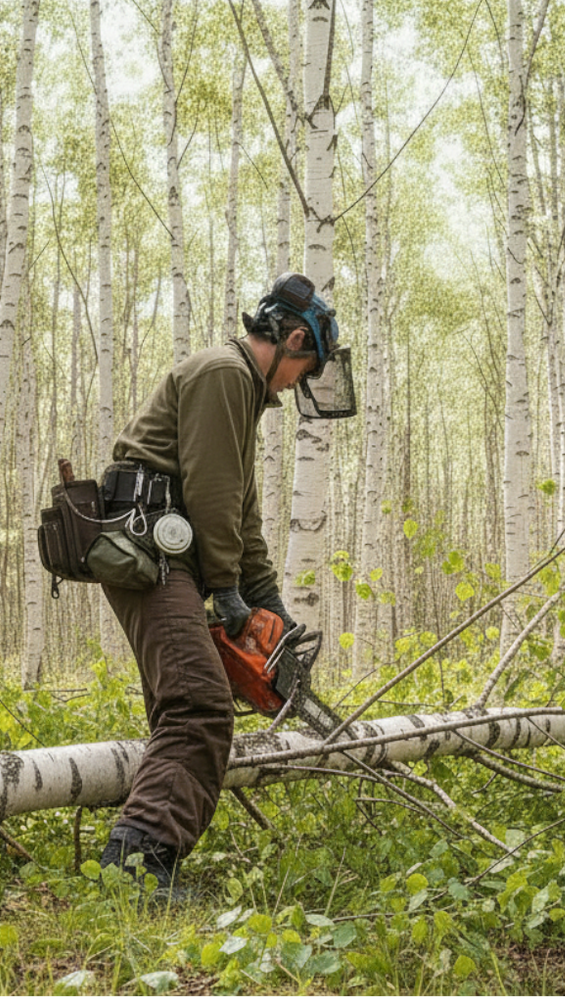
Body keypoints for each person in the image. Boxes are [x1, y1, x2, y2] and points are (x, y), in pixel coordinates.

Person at [95, 271, 356, 893]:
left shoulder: (238, 386)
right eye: (306, 368)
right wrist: (226, 588)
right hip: (150, 550)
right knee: (200, 706)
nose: (300, 384)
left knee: (185, 702)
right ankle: (135, 865)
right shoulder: (225, 374)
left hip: (170, 555)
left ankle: (142, 856)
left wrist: (266, 598)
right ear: (292, 338)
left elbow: (240, 509)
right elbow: (211, 494)